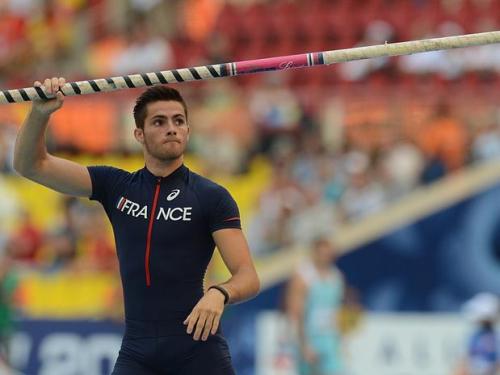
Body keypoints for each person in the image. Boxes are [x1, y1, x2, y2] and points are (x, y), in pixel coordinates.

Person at [13, 77, 260, 375]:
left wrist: (219, 293)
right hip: (138, 353)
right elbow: (30, 165)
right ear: (139, 134)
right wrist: (40, 113)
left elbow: (247, 276)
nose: (171, 127)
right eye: (159, 121)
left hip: (198, 351)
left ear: (188, 131)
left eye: (178, 120)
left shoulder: (211, 197)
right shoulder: (115, 186)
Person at [285, 237, 345, 375]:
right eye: (322, 253)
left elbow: (336, 311)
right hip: (310, 338)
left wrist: (341, 341)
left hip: (330, 339)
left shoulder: (336, 277)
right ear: (314, 253)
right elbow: (295, 312)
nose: (325, 257)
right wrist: (303, 345)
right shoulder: (303, 276)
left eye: (328, 254)